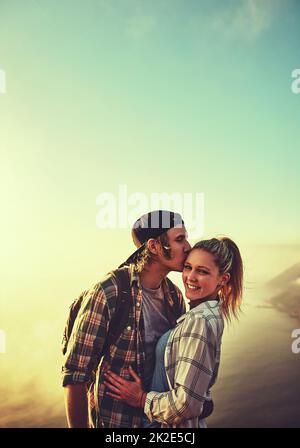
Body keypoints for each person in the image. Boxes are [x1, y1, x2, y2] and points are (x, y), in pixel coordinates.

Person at [62, 210, 191, 428]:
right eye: (180, 239)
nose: (188, 246)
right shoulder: (109, 292)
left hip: (161, 422)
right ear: (153, 246)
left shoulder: (174, 296)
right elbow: (75, 377)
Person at [104, 237, 243, 428]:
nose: (190, 277)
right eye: (188, 267)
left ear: (223, 279)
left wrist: (141, 398)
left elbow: (187, 405)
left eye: (202, 271)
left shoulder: (199, 321)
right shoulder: (206, 314)